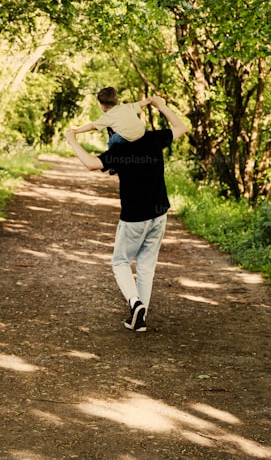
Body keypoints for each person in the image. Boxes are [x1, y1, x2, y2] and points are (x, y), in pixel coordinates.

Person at [65, 95, 189, 332]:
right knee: (146, 265)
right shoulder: (153, 139)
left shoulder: (120, 151)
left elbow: (92, 164)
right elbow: (181, 127)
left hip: (134, 217)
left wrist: (72, 140)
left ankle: (135, 303)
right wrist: (161, 106)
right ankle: (139, 319)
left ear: (114, 130)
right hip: (159, 213)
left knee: (120, 262)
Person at [70, 87, 150, 149]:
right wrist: (150, 100)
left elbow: (92, 126)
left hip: (128, 138)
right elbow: (142, 103)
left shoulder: (107, 117)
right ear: (116, 100)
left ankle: (112, 160)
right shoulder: (127, 106)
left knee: (113, 139)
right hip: (142, 133)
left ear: (102, 105)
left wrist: (76, 131)